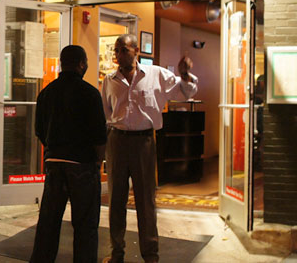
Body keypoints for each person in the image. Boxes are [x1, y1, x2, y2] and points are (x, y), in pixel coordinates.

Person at [102, 34, 198, 263]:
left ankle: (150, 254)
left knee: (146, 200)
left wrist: (184, 74)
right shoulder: (110, 79)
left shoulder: (156, 75)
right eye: (116, 51)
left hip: (144, 142)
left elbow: (186, 92)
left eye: (123, 49)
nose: (118, 55)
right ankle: (116, 252)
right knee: (116, 199)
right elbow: (106, 112)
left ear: (136, 51)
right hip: (117, 140)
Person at [30, 45, 108, 263]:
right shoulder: (90, 93)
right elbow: (100, 136)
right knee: (85, 225)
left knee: (48, 224)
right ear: (82, 64)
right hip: (82, 164)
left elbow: (40, 131)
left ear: (62, 64)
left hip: (54, 164)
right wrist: (97, 163)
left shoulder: (46, 93)